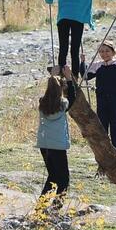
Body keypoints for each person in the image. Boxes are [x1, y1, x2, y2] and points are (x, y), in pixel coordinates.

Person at [37, 65, 77, 205]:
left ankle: (41, 207)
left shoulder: (42, 102)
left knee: (52, 176)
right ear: (61, 89)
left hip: (44, 144)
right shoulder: (63, 104)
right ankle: (56, 207)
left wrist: (53, 76)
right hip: (58, 146)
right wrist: (69, 79)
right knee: (64, 179)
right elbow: (73, 97)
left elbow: (52, 87)